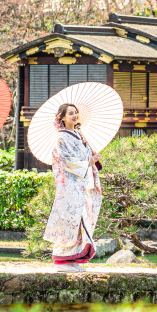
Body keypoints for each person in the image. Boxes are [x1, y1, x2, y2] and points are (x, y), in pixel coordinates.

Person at [43, 103, 102, 272]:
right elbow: (65, 161)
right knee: (71, 223)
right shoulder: (61, 137)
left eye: (76, 113)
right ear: (62, 117)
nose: (75, 116)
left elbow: (83, 158)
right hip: (69, 186)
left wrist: (91, 158)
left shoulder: (78, 134)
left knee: (80, 222)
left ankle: (74, 259)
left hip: (81, 186)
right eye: (71, 114)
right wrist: (86, 163)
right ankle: (64, 260)